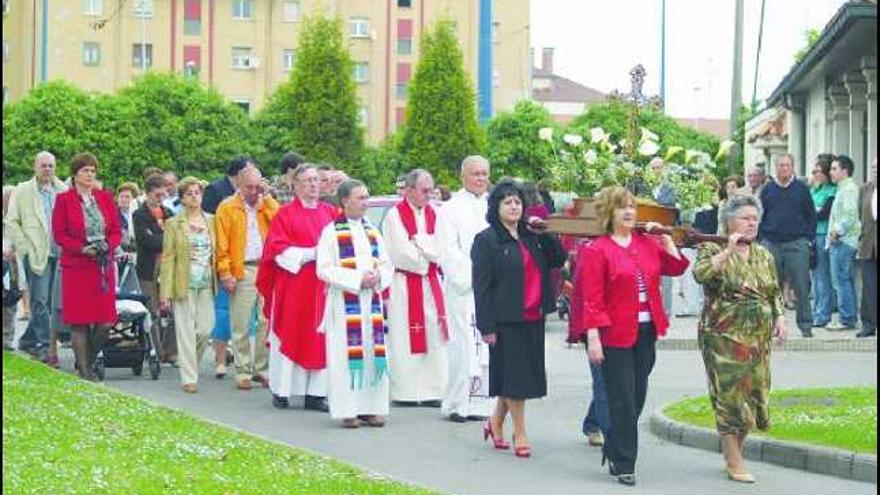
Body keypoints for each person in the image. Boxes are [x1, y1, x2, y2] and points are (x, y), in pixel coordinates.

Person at [574, 186, 689, 486]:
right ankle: (625, 462)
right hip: (614, 333)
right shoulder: (597, 250)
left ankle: (614, 446)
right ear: (608, 213)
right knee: (621, 398)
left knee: (637, 395)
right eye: (621, 207)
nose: (628, 212)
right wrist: (594, 338)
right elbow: (592, 299)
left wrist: (666, 241)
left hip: (645, 330)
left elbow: (676, 267)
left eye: (632, 207)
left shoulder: (645, 243)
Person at [694, 194, 786, 483]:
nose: (751, 223)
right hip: (723, 336)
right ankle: (734, 459)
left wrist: (780, 317)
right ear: (728, 221)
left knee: (754, 396)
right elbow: (701, 274)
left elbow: (774, 292)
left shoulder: (764, 254)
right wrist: (728, 252)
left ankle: (734, 452)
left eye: (754, 218)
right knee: (730, 397)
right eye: (745, 218)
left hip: (758, 338)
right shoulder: (711, 247)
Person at [472, 179, 566, 458]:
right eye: (507, 202)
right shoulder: (486, 240)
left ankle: (494, 422)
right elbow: (482, 287)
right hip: (505, 320)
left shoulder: (531, 235)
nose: (514, 206)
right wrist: (486, 325)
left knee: (519, 376)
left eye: (517, 202)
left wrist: (546, 232)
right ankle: (520, 431)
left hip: (533, 316)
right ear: (496, 207)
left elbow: (558, 259)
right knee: (516, 378)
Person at [256, 163, 336, 411]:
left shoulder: (331, 213)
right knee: (289, 333)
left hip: (323, 286)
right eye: (308, 180)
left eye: (316, 180)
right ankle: (281, 390)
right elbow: (277, 250)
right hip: (294, 285)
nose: (314, 184)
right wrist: (312, 254)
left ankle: (315, 393)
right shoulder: (285, 214)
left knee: (320, 338)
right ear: (296, 185)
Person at [316, 179, 394, 428]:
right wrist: (357, 278)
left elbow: (386, 263)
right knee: (344, 356)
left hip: (371, 301)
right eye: (360, 198)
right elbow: (324, 269)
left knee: (372, 353)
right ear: (345, 201)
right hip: (345, 302)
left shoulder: (372, 230)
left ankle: (371, 408)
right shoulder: (331, 232)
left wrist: (378, 276)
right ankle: (348, 410)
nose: (366, 202)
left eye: (366, 197)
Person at [52, 153, 122, 380]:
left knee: (105, 322)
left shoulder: (104, 197)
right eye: (85, 171)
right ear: (75, 175)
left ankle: (87, 361)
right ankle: (85, 372)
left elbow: (116, 231)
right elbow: (59, 234)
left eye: (93, 171)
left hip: (102, 266)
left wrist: (107, 246)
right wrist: (82, 249)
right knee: (79, 322)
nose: (90, 174)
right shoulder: (64, 200)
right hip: (77, 266)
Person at [382, 169, 449, 407]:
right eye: (424, 191)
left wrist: (422, 245)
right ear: (409, 190)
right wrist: (426, 254)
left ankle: (434, 390)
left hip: (432, 285)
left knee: (434, 336)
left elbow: (443, 248)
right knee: (404, 337)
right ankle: (407, 392)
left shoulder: (437, 214)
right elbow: (399, 251)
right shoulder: (394, 216)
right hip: (405, 285)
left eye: (431, 190)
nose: (429, 195)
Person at [438, 156, 494, 423]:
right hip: (465, 288)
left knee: (488, 345)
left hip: (491, 289)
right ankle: (459, 403)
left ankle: (483, 404)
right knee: (463, 345)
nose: (481, 179)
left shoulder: (494, 205)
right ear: (463, 176)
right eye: (475, 174)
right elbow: (448, 250)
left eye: (484, 174)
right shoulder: (449, 209)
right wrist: (475, 275)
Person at [215, 165, 279, 390]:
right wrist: (225, 272)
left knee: (265, 320)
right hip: (242, 268)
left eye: (257, 186)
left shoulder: (266, 205)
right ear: (239, 186)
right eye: (249, 187)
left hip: (266, 267)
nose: (254, 191)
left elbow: (280, 221)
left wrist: (267, 198)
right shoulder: (227, 207)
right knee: (241, 322)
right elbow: (221, 244)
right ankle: (242, 369)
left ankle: (261, 368)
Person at [4, 151, 67, 362]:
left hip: (58, 252)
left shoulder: (62, 190)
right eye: (44, 166)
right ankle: (44, 344)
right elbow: (12, 221)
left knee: (50, 302)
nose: (47, 169)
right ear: (35, 167)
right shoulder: (23, 190)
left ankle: (28, 339)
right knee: (39, 300)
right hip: (35, 253)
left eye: (51, 166)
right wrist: (25, 248)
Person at [158, 177, 216, 393]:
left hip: (206, 281)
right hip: (183, 282)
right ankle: (189, 377)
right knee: (185, 331)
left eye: (197, 192)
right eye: (189, 193)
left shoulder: (212, 220)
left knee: (205, 329)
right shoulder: (174, 223)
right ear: (182, 198)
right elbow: (167, 257)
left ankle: (191, 362)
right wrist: (165, 291)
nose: (194, 196)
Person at [203, 157, 253, 377]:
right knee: (223, 312)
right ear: (239, 174)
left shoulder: (256, 197)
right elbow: (210, 224)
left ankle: (250, 362)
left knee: (250, 317)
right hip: (226, 259)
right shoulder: (217, 191)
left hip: (250, 262)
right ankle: (220, 358)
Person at [758, 153, 816, 338]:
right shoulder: (767, 189)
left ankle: (806, 326)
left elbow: (811, 215)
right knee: (771, 286)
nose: (784, 168)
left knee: (801, 285)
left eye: (787, 165)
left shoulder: (801, 188)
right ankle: (774, 324)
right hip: (771, 242)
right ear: (776, 167)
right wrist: (761, 239)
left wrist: (809, 238)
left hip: (797, 243)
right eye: (781, 165)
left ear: (793, 167)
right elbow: (760, 215)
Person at [133, 174, 178, 365]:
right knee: (153, 312)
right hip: (148, 269)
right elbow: (147, 241)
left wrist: (162, 237)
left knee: (174, 311)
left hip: (169, 267)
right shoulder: (139, 215)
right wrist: (166, 237)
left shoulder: (169, 213)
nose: (161, 199)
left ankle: (171, 351)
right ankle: (156, 352)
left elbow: (177, 239)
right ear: (148, 193)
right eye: (157, 195)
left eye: (163, 195)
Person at [826, 155, 861, 331]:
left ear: (844, 170)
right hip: (841, 240)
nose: (831, 172)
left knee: (841, 280)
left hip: (843, 241)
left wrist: (836, 231)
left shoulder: (848, 189)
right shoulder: (843, 188)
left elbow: (849, 215)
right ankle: (848, 316)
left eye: (834, 168)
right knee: (842, 280)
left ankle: (847, 318)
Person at [809, 155, 837, 328]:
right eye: (814, 171)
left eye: (818, 171)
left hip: (823, 234)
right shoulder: (815, 190)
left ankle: (822, 313)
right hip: (812, 234)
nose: (815, 174)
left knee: (822, 276)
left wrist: (814, 211)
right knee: (814, 276)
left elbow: (822, 214)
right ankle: (817, 310)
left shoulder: (831, 191)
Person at [857, 157, 877, 338]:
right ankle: (869, 325)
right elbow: (860, 215)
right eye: (873, 167)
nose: (875, 170)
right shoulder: (865, 189)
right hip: (867, 245)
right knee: (869, 287)